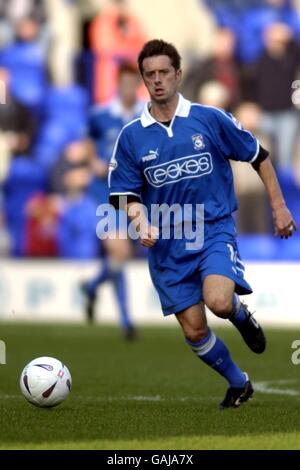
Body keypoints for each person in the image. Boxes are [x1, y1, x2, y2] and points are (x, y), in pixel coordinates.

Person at [108, 39, 297, 408]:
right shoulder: (131, 136)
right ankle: (239, 383)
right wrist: (139, 219)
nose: (158, 80)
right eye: (150, 75)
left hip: (213, 228)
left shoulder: (208, 119)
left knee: (219, 302)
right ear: (144, 80)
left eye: (164, 72)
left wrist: (279, 207)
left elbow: (258, 156)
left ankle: (241, 315)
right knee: (195, 329)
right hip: (166, 243)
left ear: (179, 75)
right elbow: (122, 193)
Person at [81, 63, 144, 340]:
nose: (129, 88)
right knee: (119, 251)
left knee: (121, 256)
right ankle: (126, 321)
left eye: (133, 83)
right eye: (125, 83)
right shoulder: (101, 114)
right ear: (118, 85)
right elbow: (89, 142)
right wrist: (92, 160)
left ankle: (93, 286)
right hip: (105, 193)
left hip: (137, 194)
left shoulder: (147, 115)